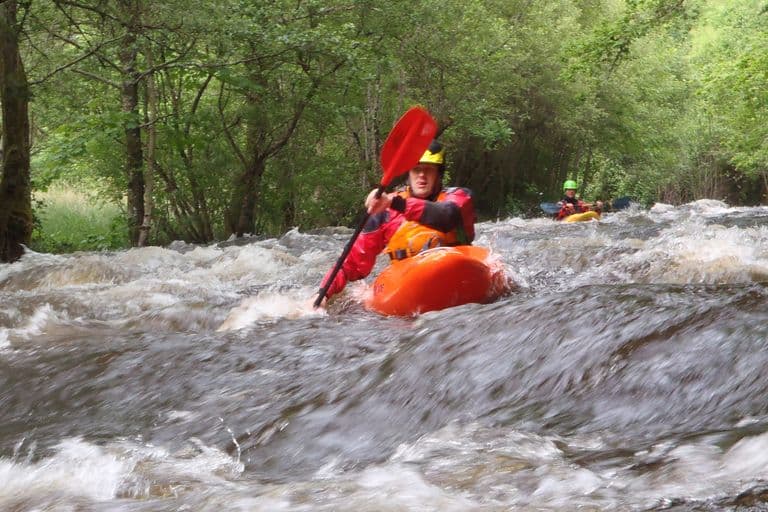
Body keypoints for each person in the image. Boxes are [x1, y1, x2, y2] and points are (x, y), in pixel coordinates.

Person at [316, 140, 476, 305]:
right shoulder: (386, 211)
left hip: (456, 268)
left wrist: (396, 203)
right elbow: (352, 263)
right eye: (416, 169)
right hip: (407, 281)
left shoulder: (459, 197)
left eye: (428, 169)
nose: (421, 175)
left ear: (439, 174)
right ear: (409, 173)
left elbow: (447, 216)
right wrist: (323, 294)